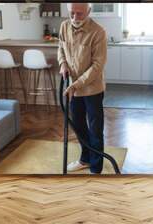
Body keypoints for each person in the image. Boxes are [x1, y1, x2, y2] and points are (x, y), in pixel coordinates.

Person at [57, 3, 107, 174]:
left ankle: (96, 168)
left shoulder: (98, 32)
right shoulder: (64, 26)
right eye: (72, 13)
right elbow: (60, 49)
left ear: (89, 11)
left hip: (92, 89)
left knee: (95, 130)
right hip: (73, 89)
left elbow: (97, 65)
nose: (75, 18)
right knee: (78, 126)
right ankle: (85, 159)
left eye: (80, 14)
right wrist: (63, 64)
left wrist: (76, 84)